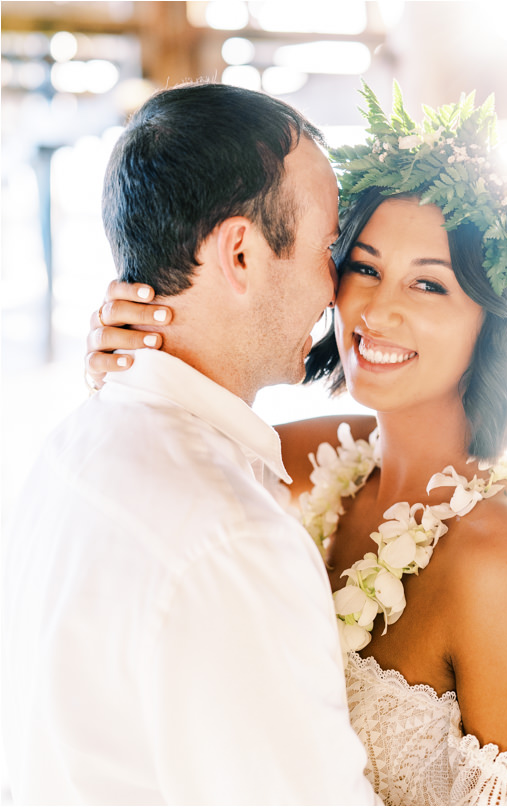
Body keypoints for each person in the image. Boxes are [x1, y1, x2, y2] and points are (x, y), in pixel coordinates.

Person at [87, 88, 507, 805]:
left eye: (428, 283)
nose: (377, 309)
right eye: (361, 266)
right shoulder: (307, 459)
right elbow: (165, 451)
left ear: (495, 322)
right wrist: (130, 353)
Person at [1, 82, 379, 802]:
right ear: (240, 253)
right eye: (327, 248)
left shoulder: (70, 447)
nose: (336, 291)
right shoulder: (233, 537)